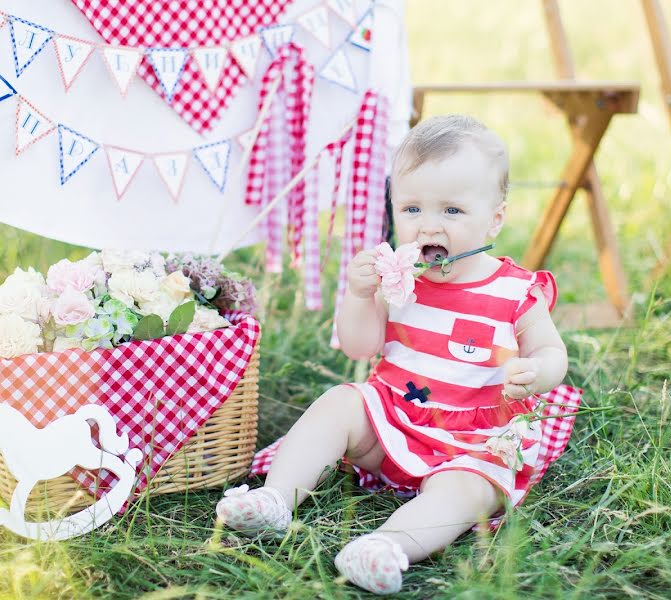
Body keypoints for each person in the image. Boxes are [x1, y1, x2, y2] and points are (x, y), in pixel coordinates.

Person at [215, 115, 569, 595]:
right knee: (341, 402)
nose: (428, 225)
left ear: (496, 218)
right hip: (392, 422)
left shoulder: (514, 291)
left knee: (468, 491)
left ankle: (385, 546)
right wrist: (361, 297)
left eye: (452, 211)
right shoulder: (399, 277)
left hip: (473, 437)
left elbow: (551, 350)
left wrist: (540, 370)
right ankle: (275, 498)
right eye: (412, 208)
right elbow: (361, 346)